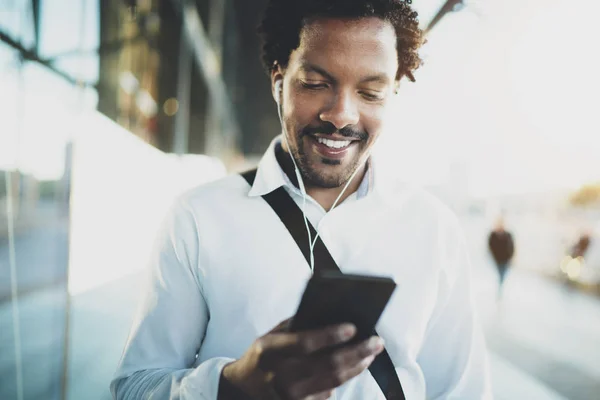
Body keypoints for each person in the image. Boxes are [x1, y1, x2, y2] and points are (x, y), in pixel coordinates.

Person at [111, 1, 492, 399]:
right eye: (315, 83)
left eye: (371, 92)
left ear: (393, 93)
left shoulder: (434, 229)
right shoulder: (198, 218)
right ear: (279, 81)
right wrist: (231, 387)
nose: (342, 115)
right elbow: (134, 386)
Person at [488, 216, 514, 298]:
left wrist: (511, 256)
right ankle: (500, 289)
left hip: (506, 259)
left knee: (503, 274)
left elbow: (512, 246)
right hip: (497, 259)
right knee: (500, 274)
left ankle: (500, 287)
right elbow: (490, 245)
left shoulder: (508, 234)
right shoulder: (493, 234)